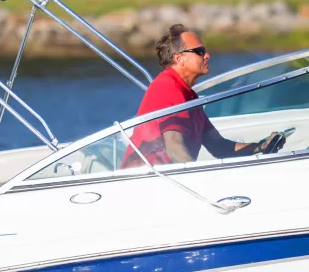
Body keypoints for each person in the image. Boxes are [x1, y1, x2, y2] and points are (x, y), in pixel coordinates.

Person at [122, 24, 286, 169]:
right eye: (200, 52)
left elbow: (219, 147)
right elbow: (175, 148)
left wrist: (260, 146)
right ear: (179, 59)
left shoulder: (189, 96)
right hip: (148, 183)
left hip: (165, 179)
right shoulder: (168, 86)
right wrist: (201, 180)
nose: (207, 55)